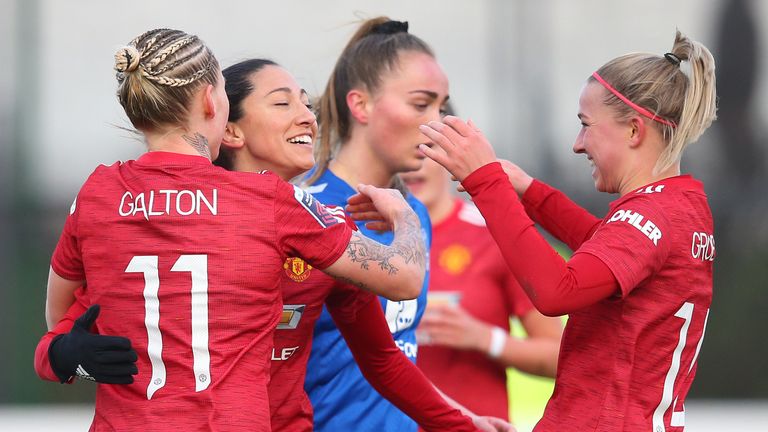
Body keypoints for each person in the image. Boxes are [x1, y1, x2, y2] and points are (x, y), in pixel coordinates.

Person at [36, 57, 500, 431]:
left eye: (307, 103)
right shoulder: (162, 224)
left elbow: (382, 359)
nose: (307, 116)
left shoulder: (327, 228)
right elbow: (67, 333)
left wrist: (462, 424)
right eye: (283, 104)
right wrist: (65, 357)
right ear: (227, 126)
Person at [416, 30, 717, 431]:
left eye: (585, 124)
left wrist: (485, 183)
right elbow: (606, 243)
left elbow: (559, 291)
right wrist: (529, 191)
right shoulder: (680, 205)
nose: (577, 144)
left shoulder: (650, 216)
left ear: (633, 131)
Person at [300, 17, 451, 432]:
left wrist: (466, 419)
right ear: (360, 105)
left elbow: (397, 356)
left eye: (442, 106)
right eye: (422, 105)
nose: (437, 123)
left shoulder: (413, 214)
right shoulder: (305, 211)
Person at [401, 138, 562, 421]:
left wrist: (485, 338)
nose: (414, 164)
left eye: (425, 149)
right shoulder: (359, 239)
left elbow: (560, 358)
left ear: (449, 156)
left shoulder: (493, 233)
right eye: (402, 147)